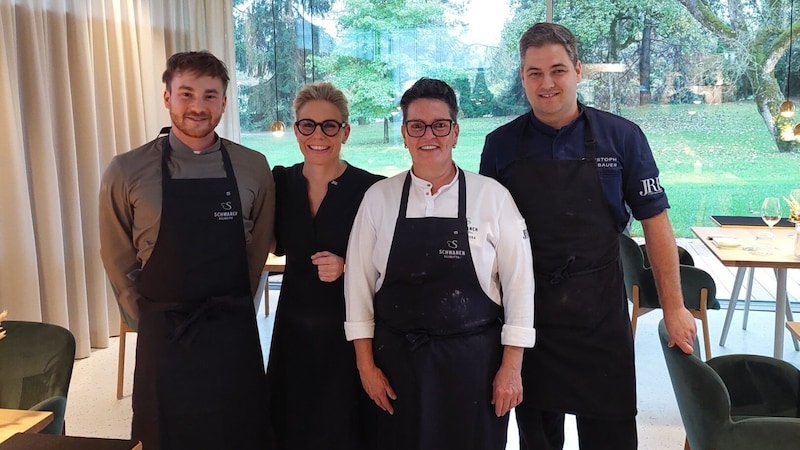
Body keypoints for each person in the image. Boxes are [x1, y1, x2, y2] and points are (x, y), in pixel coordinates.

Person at [479, 23, 697, 450]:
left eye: (557, 70)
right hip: (529, 316)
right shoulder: (500, 146)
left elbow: (656, 224)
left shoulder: (623, 137)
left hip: (599, 314)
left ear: (578, 70)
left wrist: (674, 308)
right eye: (534, 73)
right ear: (522, 78)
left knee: (612, 435)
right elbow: (485, 240)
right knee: (538, 440)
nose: (547, 83)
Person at [344, 78, 536, 450]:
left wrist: (511, 369)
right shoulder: (378, 200)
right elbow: (358, 292)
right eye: (416, 126)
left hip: (474, 367)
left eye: (439, 125)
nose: (427, 135)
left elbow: (520, 289)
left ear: (455, 132)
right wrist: (366, 367)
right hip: (397, 367)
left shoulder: (492, 198)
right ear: (404, 133)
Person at [99, 51, 274, 450]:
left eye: (210, 95)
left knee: (239, 430)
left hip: (231, 329)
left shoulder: (252, 166)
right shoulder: (127, 170)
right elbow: (117, 256)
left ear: (225, 103)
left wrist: (236, 305)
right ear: (167, 98)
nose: (198, 106)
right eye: (186, 93)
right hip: (164, 331)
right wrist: (145, 315)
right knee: (162, 432)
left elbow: (258, 248)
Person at [265, 82, 383, 450]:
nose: (318, 135)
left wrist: (349, 265)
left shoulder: (371, 189)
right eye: (307, 125)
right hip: (292, 330)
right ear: (296, 128)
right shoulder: (280, 182)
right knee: (292, 425)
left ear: (345, 131)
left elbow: (395, 264)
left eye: (330, 125)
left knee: (344, 426)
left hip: (349, 332)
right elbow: (266, 241)